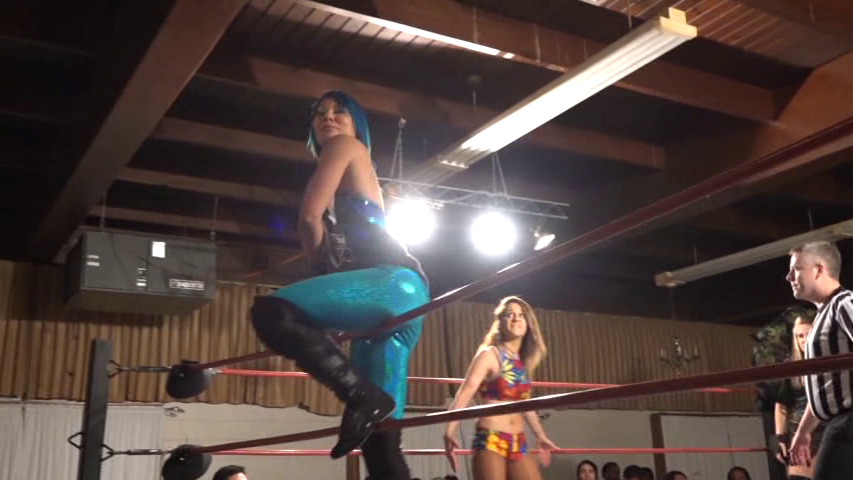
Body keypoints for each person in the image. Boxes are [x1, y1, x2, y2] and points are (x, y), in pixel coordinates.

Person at [250, 91, 429, 479]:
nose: (327, 117)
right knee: (381, 445)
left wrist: (319, 289)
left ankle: (362, 396)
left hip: (391, 284)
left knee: (272, 312)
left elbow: (309, 219)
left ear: (356, 126)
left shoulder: (345, 146)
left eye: (339, 112)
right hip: (401, 295)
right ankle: (367, 400)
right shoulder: (352, 164)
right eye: (319, 114)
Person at [443, 296, 557, 480]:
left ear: (528, 323)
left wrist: (541, 436)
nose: (516, 318)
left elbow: (525, 404)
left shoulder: (522, 362)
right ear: (500, 322)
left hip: (519, 440)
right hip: (491, 438)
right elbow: (465, 392)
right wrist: (450, 430)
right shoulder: (490, 354)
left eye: (521, 315)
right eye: (510, 314)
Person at [786, 241, 853, 480]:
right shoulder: (824, 313)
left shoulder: (844, 303)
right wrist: (803, 431)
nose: (789, 277)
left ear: (819, 269)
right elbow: (825, 385)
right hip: (838, 420)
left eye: (796, 269)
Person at [773, 307, 820, 479]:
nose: (804, 340)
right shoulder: (791, 366)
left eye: (808, 334)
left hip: (825, 425)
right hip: (798, 427)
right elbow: (781, 405)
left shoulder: (830, 361)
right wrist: (780, 438)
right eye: (800, 336)